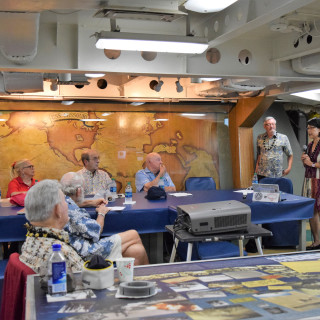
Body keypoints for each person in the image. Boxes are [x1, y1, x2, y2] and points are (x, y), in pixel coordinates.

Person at [60, 172, 149, 265]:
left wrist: (89, 202)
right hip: (85, 252)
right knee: (133, 234)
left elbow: (73, 204)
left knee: (136, 251)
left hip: (74, 248)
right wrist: (101, 213)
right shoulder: (73, 212)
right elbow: (96, 231)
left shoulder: (63, 202)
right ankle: (150, 275)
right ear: (78, 191)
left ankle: (139, 277)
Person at [19, 179, 84, 274]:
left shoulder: (28, 241)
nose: (67, 205)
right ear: (57, 209)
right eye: (65, 202)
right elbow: (88, 282)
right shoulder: (61, 254)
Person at [301, 117, 320, 250]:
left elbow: (313, 164)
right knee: (312, 211)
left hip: (319, 180)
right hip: (309, 180)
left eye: (312, 128)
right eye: (308, 128)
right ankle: (317, 241)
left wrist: (311, 163)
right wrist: (305, 161)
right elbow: (307, 166)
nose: (309, 130)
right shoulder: (309, 145)